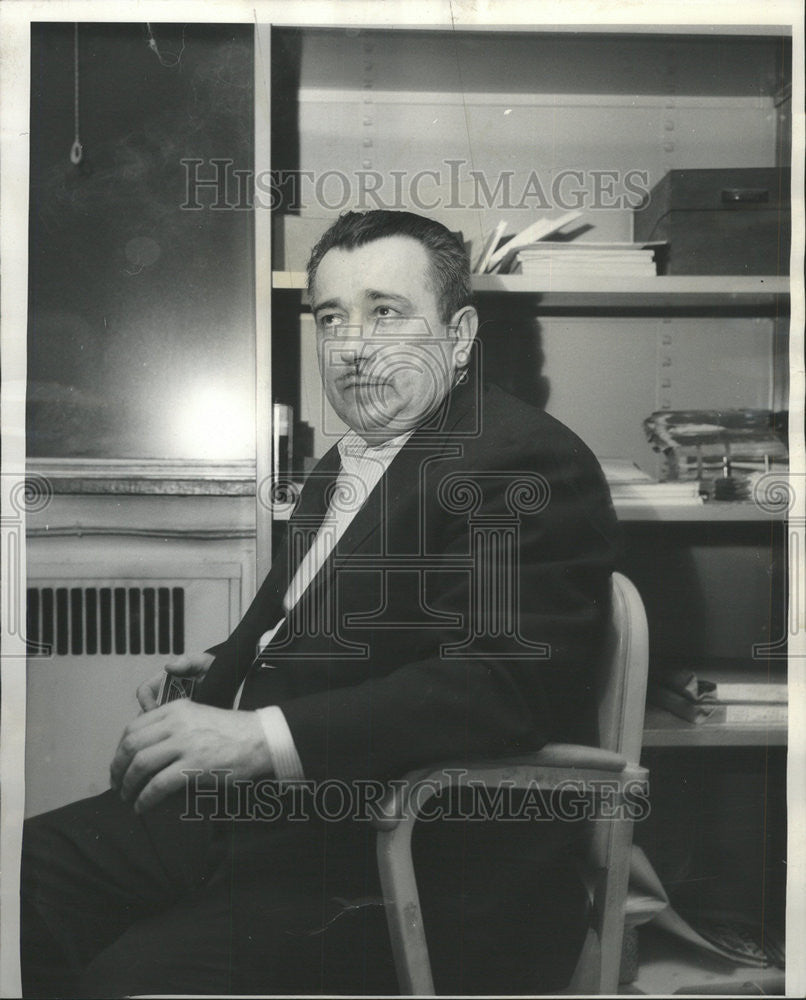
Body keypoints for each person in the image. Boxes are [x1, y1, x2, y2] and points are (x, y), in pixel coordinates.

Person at [21, 210, 618, 997]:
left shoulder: (522, 459)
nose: (352, 344)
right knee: (21, 880)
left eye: (386, 312)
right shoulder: (347, 458)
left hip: (408, 864)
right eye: (330, 317)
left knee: (120, 979)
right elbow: (330, 621)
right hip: (269, 821)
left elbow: (502, 686)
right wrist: (229, 674)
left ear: (461, 334)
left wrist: (257, 735)